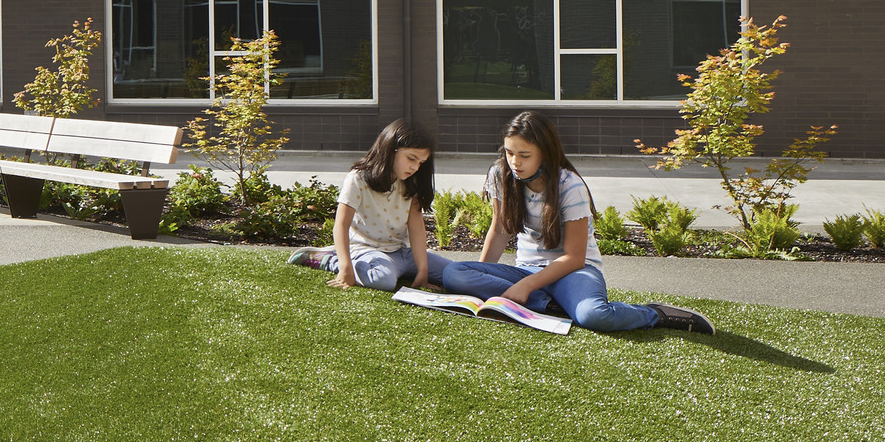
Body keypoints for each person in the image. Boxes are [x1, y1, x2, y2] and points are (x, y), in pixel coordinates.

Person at [429, 111, 713, 334]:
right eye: (509, 152)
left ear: (545, 152)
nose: (515, 162)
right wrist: (477, 281)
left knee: (594, 315)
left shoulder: (569, 186)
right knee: (456, 274)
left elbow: (575, 258)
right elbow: (500, 229)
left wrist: (526, 287)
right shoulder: (500, 175)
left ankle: (655, 314)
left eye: (524, 155)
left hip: (573, 272)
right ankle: (553, 306)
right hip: (527, 270)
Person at [288, 118, 436, 290]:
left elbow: (416, 227)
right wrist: (345, 267)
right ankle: (329, 259)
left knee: (450, 272)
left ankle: (400, 270)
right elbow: (341, 225)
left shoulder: (411, 182)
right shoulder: (358, 179)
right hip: (366, 250)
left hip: (402, 253)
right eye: (411, 158)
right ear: (390, 149)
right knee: (383, 280)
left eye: (421, 162)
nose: (416, 167)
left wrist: (423, 270)